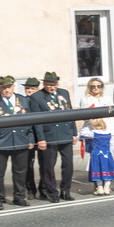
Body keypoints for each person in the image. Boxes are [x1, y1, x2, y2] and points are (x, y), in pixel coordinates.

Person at [0, 76, 40, 209]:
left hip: (20, 140)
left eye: (9, 87)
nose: (6, 90)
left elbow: (30, 121)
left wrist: (31, 139)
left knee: (20, 171)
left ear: (13, 87)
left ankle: (19, 196)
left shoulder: (22, 100)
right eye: (3, 87)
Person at [30, 72, 76, 202]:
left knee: (68, 164)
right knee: (48, 166)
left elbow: (71, 113)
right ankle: (52, 193)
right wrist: (40, 138)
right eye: (49, 85)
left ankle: (66, 191)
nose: (52, 87)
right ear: (44, 84)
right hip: (49, 135)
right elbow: (36, 120)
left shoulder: (64, 93)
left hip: (65, 133)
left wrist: (74, 132)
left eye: (54, 85)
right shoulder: (37, 97)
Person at [79, 84, 114, 194]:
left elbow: (112, 115)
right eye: (93, 86)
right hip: (92, 127)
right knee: (98, 164)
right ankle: (99, 186)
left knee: (99, 165)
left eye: (99, 86)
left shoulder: (107, 99)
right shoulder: (85, 99)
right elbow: (83, 116)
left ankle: (104, 187)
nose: (96, 88)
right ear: (89, 87)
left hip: (105, 128)